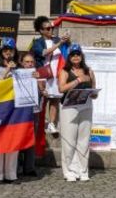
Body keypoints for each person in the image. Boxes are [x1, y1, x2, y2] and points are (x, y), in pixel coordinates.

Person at [57, 44, 97, 182]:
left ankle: (83, 170)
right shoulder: (65, 71)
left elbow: (94, 90)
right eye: (73, 54)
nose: (76, 57)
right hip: (69, 107)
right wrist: (78, 80)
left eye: (78, 54)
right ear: (69, 57)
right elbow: (61, 89)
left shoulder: (89, 71)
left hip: (86, 106)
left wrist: (93, 93)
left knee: (84, 140)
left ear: (81, 56)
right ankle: (69, 170)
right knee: (69, 140)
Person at [31, 16, 67, 133]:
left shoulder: (57, 40)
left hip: (56, 74)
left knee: (54, 100)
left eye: (51, 28)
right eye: (47, 29)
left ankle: (52, 123)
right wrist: (59, 43)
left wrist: (65, 39)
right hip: (43, 74)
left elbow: (65, 51)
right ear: (41, 30)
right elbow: (43, 53)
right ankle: (39, 123)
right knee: (41, 99)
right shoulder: (37, 42)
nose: (50, 30)